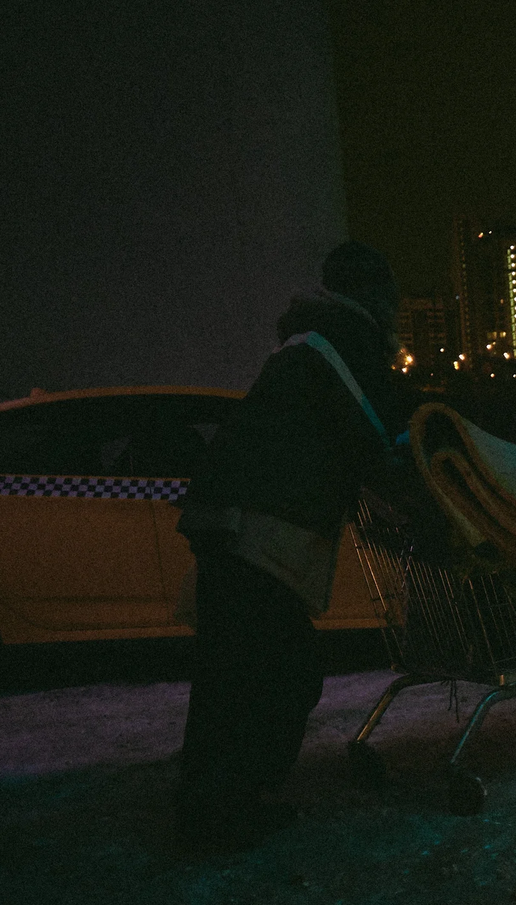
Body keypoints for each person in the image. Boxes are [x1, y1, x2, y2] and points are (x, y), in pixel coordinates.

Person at [175, 241, 428, 850]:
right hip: (261, 523)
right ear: (374, 296)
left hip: (228, 516)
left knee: (230, 671)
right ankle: (224, 810)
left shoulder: (304, 343)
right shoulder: (342, 343)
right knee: (280, 672)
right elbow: (379, 431)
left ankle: (210, 801)